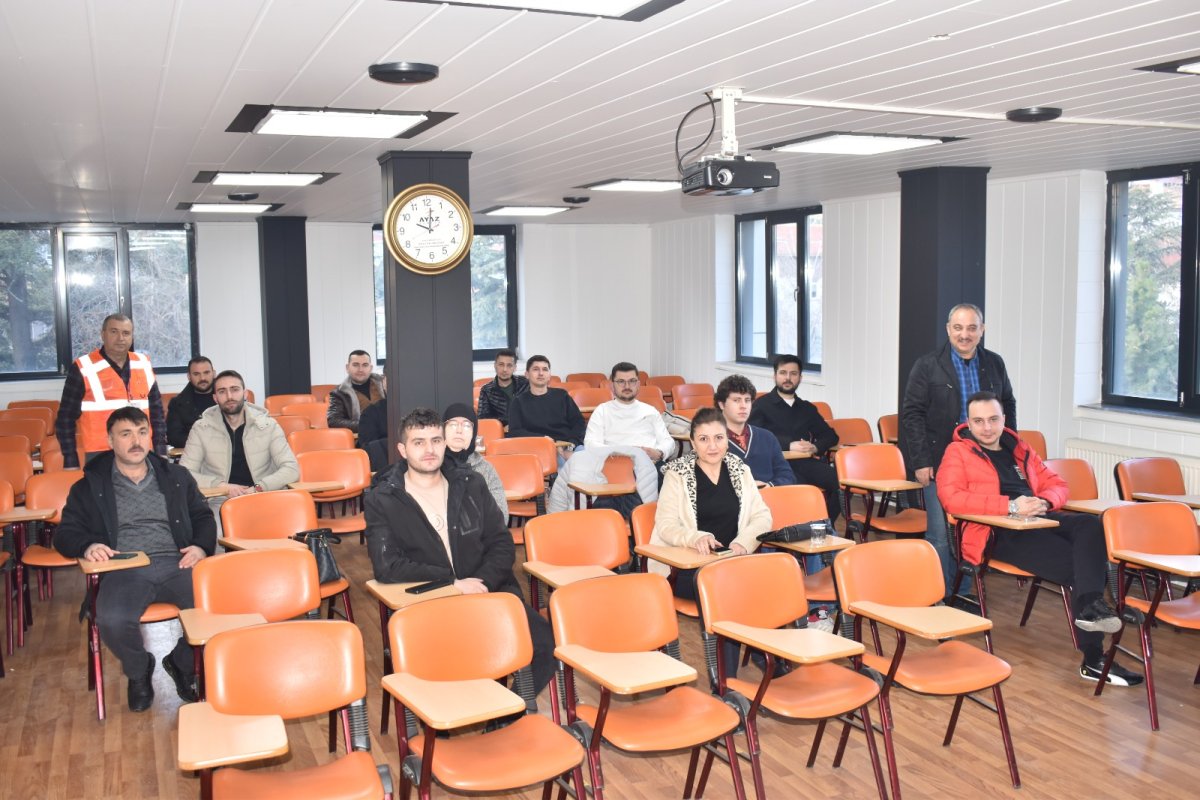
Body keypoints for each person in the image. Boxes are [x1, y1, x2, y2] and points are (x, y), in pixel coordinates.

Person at [937, 392, 1143, 687]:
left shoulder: (1019, 448)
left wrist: (1044, 502)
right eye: (978, 421)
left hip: (1036, 518)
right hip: (996, 531)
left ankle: (1090, 606)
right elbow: (952, 499)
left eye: (993, 419)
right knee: (1083, 566)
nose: (987, 427)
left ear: (1004, 419)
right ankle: (1094, 658)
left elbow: (1058, 484)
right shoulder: (957, 452)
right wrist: (1010, 506)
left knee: (1090, 524)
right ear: (968, 423)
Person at [364, 408, 555, 694]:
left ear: (444, 443)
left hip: (488, 591)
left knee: (546, 646)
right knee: (462, 660)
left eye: (435, 440)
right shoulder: (383, 498)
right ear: (403, 450)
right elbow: (387, 566)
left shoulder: (470, 483)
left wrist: (482, 584)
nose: (429, 450)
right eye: (419, 442)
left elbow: (501, 543)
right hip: (432, 600)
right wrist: (453, 583)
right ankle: (472, 710)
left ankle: (506, 712)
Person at [53, 406, 215, 711]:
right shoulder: (89, 486)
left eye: (142, 432)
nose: (136, 441)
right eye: (126, 434)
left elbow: (203, 516)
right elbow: (65, 534)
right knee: (112, 619)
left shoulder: (176, 476)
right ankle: (139, 670)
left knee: (217, 607)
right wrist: (88, 545)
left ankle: (182, 662)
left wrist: (200, 547)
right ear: (110, 440)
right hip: (124, 568)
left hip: (178, 562)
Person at [900, 303, 1016, 597]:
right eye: (958, 328)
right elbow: (912, 415)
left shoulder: (994, 363)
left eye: (972, 328)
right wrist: (921, 461)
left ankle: (961, 593)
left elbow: (1007, 405)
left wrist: (1008, 447)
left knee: (971, 530)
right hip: (940, 459)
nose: (965, 334)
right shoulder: (927, 365)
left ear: (982, 330)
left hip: (984, 460)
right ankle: (938, 595)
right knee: (940, 534)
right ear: (948, 329)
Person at [650, 407, 771, 680]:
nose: (712, 446)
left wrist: (743, 543)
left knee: (768, 580)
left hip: (732, 560)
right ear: (692, 443)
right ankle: (726, 682)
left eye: (718, 438)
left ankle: (767, 655)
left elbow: (762, 516)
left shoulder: (740, 469)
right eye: (703, 439)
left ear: (727, 440)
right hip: (683, 568)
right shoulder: (677, 474)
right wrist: (696, 537)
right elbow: (666, 525)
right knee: (726, 590)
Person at [56, 313, 167, 468]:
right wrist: (70, 461)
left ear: (132, 337)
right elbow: (65, 419)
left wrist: (161, 452)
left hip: (140, 449)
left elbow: (157, 413)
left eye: (126, 333)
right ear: (103, 334)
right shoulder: (83, 367)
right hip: (100, 453)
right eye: (114, 332)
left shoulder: (143, 364)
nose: (120, 338)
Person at [180, 370, 299, 505]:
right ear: (215, 398)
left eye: (235, 389)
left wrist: (259, 488)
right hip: (219, 500)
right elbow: (184, 472)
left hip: (263, 496)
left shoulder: (268, 426)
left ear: (245, 394)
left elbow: (291, 469)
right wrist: (221, 486)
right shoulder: (201, 429)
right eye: (222, 392)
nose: (229, 396)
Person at [747, 354, 840, 520]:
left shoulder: (806, 408)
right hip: (775, 465)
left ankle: (826, 526)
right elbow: (753, 436)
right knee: (803, 491)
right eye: (783, 373)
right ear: (775, 376)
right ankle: (803, 527)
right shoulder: (761, 405)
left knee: (840, 481)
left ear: (800, 378)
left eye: (793, 374)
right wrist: (787, 444)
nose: (788, 378)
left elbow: (831, 436)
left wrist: (815, 447)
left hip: (805, 462)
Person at [584, 361, 675, 466]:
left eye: (632, 381)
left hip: (650, 464)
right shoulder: (602, 411)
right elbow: (590, 444)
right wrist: (621, 452)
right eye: (621, 381)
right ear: (612, 385)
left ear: (638, 385)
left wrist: (659, 453)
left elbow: (668, 442)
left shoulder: (651, 411)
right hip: (615, 464)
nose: (627, 386)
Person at [715, 374, 793, 488]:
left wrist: (769, 486)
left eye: (747, 400)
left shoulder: (767, 437)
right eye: (736, 400)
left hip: (769, 495)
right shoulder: (711, 440)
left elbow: (787, 475)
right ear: (722, 404)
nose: (743, 406)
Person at [507, 355, 585, 464]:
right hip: (540, 449)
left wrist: (570, 446)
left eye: (545, 369)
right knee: (565, 467)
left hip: (568, 446)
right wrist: (544, 440)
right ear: (527, 375)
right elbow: (515, 432)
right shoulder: (518, 402)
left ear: (549, 375)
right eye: (536, 369)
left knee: (587, 461)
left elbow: (579, 423)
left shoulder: (562, 395)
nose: (541, 373)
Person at [442, 401, 507, 517]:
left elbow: (501, 515)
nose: (459, 430)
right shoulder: (432, 465)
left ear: (474, 433)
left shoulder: (486, 469)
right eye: (453, 424)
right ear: (443, 430)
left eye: (466, 425)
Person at [327, 349, 386, 431]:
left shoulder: (384, 383)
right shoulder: (339, 393)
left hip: (390, 432)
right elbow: (334, 421)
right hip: (362, 435)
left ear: (371, 368)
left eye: (365, 365)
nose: (360, 369)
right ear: (347, 368)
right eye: (355, 365)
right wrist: (367, 424)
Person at [167, 356, 216, 448]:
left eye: (206, 373)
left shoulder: (227, 398)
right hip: (193, 452)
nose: (202, 378)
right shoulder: (177, 403)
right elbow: (174, 437)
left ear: (214, 374)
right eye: (196, 374)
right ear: (189, 377)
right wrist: (205, 442)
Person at [477, 348, 529, 425]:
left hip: (525, 428)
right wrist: (502, 426)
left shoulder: (525, 384)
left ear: (515, 368)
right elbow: (483, 418)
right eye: (501, 365)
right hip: (501, 429)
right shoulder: (487, 390)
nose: (505, 369)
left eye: (509, 365)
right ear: (495, 366)